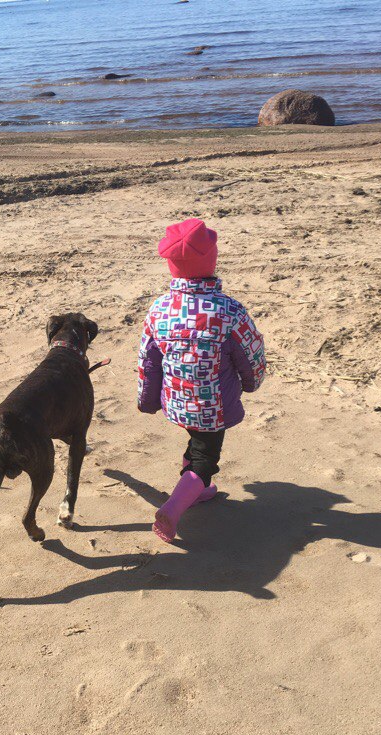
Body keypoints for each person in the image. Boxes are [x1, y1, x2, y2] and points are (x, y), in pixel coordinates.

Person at [137, 218, 266, 543]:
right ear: (212, 260)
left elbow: (148, 361)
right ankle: (173, 508)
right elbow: (251, 353)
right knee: (206, 457)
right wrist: (252, 382)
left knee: (196, 441)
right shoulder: (229, 311)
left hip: (176, 400)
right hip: (213, 406)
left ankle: (199, 489)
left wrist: (147, 399)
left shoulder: (159, 309)